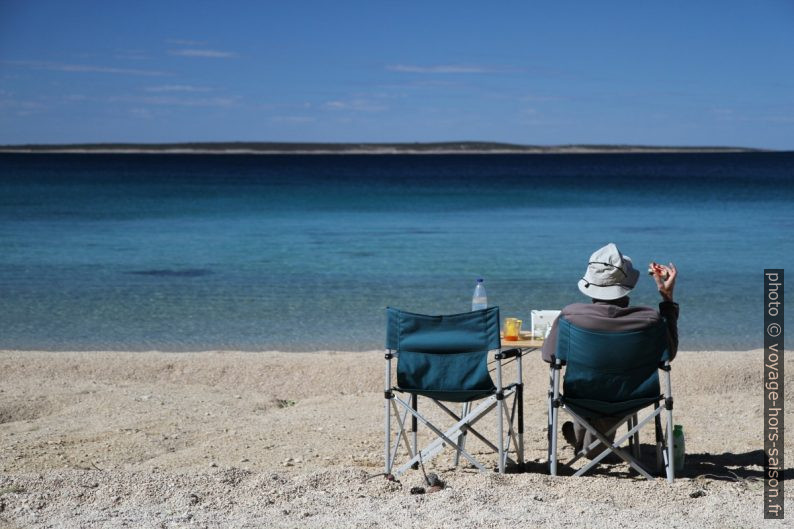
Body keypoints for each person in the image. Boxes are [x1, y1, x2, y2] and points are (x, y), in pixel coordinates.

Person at [541, 242, 679, 458]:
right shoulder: (649, 319)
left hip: (583, 394)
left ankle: (584, 444)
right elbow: (668, 354)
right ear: (627, 284)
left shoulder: (571, 316)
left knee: (587, 385)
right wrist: (667, 298)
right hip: (634, 396)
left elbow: (548, 356)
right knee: (608, 388)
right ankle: (587, 444)